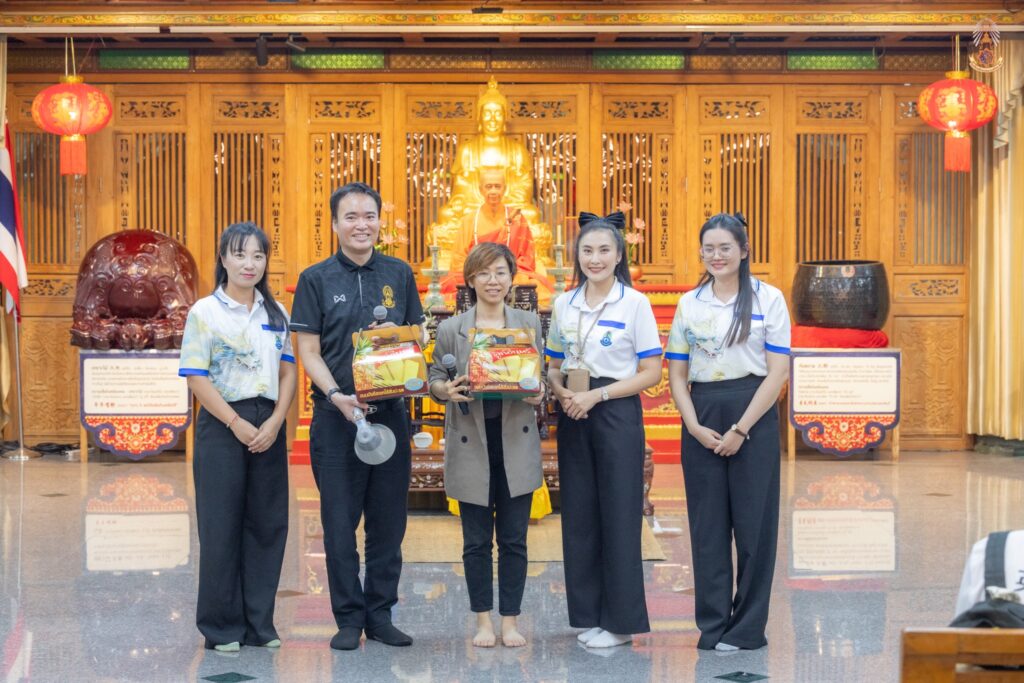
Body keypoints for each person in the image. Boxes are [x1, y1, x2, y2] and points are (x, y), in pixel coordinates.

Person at [290, 182, 426, 651]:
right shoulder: (315, 279)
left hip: (390, 414)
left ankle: (381, 615)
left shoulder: (399, 273)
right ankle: (348, 618)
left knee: (388, 524)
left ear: (380, 221)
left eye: (369, 216)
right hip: (336, 418)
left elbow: (419, 333)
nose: (361, 225)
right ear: (335, 224)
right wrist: (336, 396)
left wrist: (399, 333)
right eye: (351, 217)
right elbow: (308, 350)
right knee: (339, 523)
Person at [666, 212, 790, 651]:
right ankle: (714, 624)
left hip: (752, 410)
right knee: (708, 528)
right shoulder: (690, 303)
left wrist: (741, 428)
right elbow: (677, 374)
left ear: (743, 250)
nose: (716, 256)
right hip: (701, 412)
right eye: (709, 249)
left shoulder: (768, 299)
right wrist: (693, 426)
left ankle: (748, 628)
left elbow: (777, 373)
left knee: (754, 528)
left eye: (725, 248)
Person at [545, 211, 663, 649]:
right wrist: (561, 392)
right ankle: (590, 614)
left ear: (618, 256)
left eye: (603, 251)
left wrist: (598, 396)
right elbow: (553, 365)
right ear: (577, 255)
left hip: (615, 412)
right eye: (587, 250)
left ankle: (620, 622)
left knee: (619, 514)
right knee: (579, 515)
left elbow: (651, 371)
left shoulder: (634, 304)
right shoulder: (565, 303)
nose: (594, 259)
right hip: (574, 412)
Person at [178, 221, 297, 652]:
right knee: (221, 524)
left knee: (267, 524)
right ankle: (221, 628)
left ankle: (259, 624)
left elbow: (288, 371)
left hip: (268, 423)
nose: (250, 264)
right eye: (240, 254)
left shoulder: (276, 312)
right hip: (222, 422)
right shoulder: (204, 312)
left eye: (258, 255)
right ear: (224, 259)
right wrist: (234, 422)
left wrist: (277, 421)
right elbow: (196, 377)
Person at [429, 242, 545, 649]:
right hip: (471, 443)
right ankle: (482, 621)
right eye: (483, 273)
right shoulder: (452, 329)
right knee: (476, 542)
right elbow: (434, 376)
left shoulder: (529, 323)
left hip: (516, 443)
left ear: (512, 277)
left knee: (514, 540)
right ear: (471, 280)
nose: (492, 281)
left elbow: (541, 375)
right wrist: (444, 389)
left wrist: (539, 392)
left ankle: (510, 622)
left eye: (500, 272)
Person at [441, 168, 552, 294]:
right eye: (488, 187)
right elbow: (459, 259)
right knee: (452, 282)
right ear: (481, 189)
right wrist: (480, 271)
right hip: (478, 273)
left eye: (497, 186)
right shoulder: (470, 220)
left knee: (531, 283)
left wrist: (507, 271)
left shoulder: (516, 218)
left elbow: (527, 258)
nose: (493, 191)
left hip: (509, 274)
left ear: (504, 189)